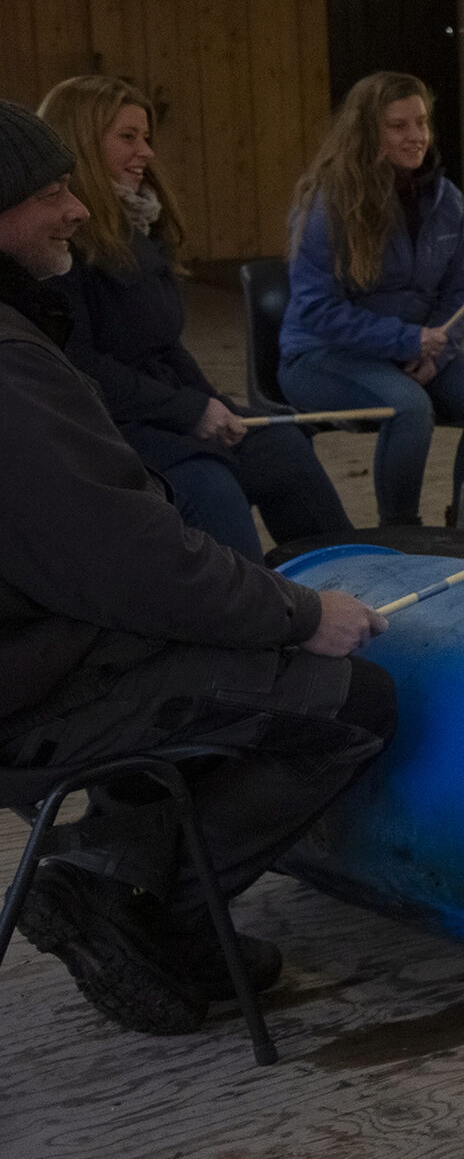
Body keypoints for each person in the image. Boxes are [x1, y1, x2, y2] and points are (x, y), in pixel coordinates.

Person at [0, 98, 393, 1037]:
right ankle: (146, 909)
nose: (78, 210)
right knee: (350, 700)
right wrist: (299, 615)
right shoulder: (10, 366)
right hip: (34, 689)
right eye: (53, 193)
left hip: (32, 650)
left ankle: (129, 881)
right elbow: (132, 562)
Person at [39, 76, 352, 560]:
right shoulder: (56, 245)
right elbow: (78, 368)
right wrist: (189, 412)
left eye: (146, 137)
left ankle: (348, 584)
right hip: (105, 426)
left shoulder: (138, 226)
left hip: (161, 406)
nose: (146, 152)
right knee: (212, 490)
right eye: (128, 137)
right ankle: (249, 623)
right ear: (80, 140)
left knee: (282, 445)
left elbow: (165, 345)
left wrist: (213, 404)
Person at [279, 71, 464, 527]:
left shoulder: (447, 199)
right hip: (323, 356)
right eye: (399, 126)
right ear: (368, 132)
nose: (416, 136)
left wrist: (438, 351)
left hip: (416, 351)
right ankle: (402, 534)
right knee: (408, 407)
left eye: (422, 123)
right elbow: (316, 307)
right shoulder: (328, 200)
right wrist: (406, 340)